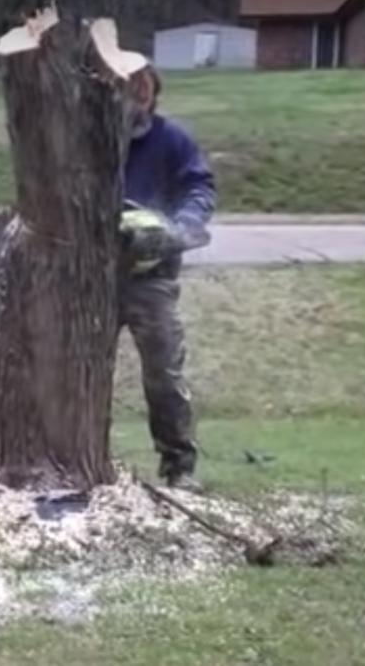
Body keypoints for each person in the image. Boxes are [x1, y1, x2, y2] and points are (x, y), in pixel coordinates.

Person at [118, 64, 216, 489]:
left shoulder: (171, 139)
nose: (136, 97)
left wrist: (180, 226)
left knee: (163, 371)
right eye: (127, 87)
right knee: (77, 370)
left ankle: (178, 465)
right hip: (88, 276)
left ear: (153, 94)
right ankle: (73, 462)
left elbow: (199, 187)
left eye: (144, 89)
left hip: (150, 276)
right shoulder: (87, 139)